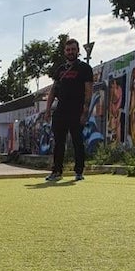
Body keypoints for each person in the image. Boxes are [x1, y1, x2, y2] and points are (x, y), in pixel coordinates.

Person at [43, 38, 93, 182]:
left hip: (77, 110)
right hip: (61, 111)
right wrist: (47, 110)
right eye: (68, 50)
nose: (70, 52)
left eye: (73, 49)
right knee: (59, 142)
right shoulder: (60, 70)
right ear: (65, 51)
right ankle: (57, 171)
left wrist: (85, 111)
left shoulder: (85, 68)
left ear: (78, 51)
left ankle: (79, 172)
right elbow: (53, 90)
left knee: (78, 141)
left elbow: (88, 91)